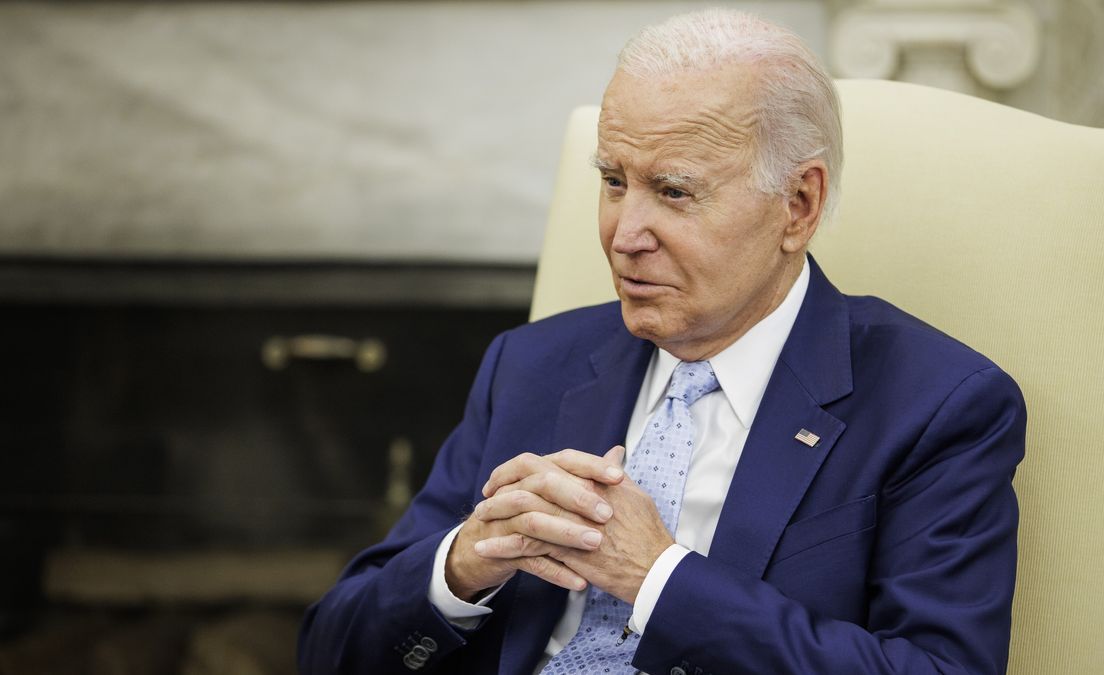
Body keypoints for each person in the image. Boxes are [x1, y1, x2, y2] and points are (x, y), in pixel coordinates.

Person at [298, 8, 1025, 675]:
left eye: (674, 191)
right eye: (614, 181)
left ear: (797, 205)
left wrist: (659, 577)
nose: (624, 233)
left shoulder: (936, 404)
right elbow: (330, 650)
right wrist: (462, 564)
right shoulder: (529, 365)